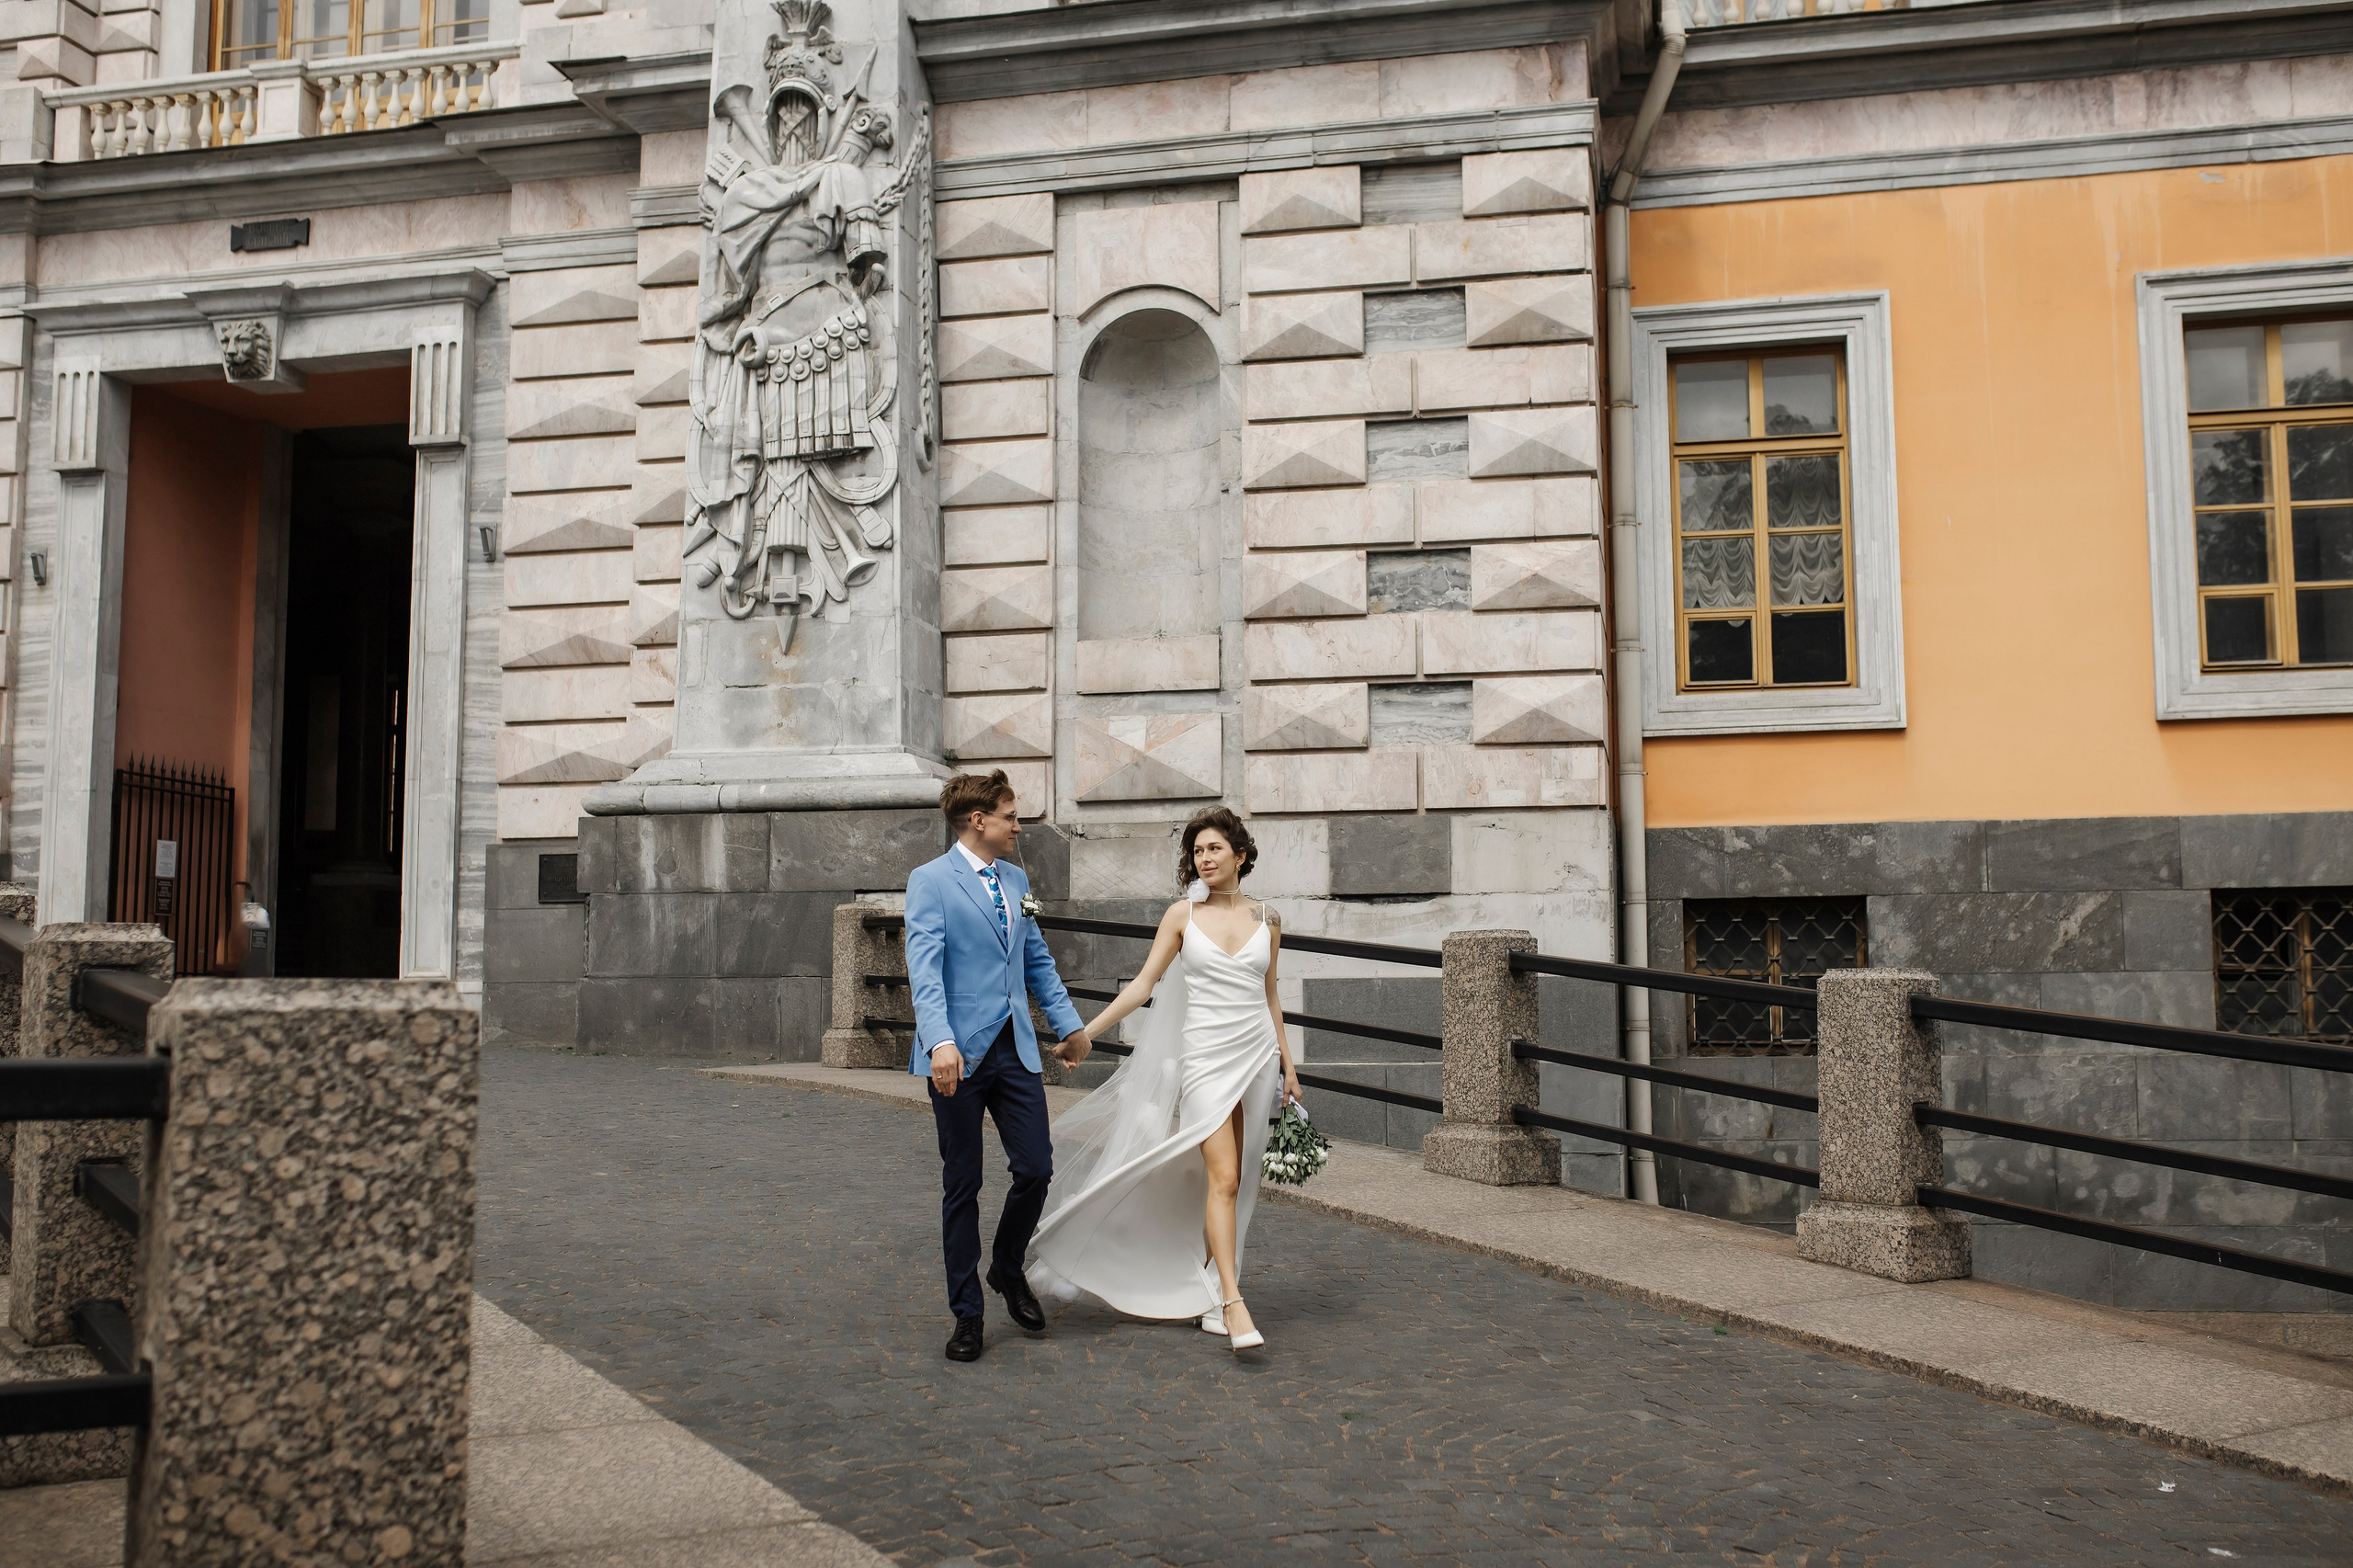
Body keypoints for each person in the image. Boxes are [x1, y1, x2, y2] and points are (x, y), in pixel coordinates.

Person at [1028, 808, 1302, 1352]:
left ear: (1241, 855)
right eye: (1197, 851)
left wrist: (1289, 1067)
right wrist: (1086, 1033)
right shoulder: (1182, 915)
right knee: (1223, 1178)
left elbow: (1270, 995)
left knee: (1241, 1181)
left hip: (1257, 1056)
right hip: (1206, 1060)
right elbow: (1142, 985)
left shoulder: (1268, 918)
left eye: (1214, 848)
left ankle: (1213, 1293)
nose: (1204, 859)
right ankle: (1232, 1302)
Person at [904, 770, 1089, 1364]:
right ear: (978, 820)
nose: (1019, 827)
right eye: (1011, 816)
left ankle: (1007, 1267)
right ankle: (967, 1314)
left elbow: (1037, 959)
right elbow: (924, 970)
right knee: (963, 1184)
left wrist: (1070, 1025)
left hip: (1016, 1051)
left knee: (1036, 1167)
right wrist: (939, 1041)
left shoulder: (1016, 879)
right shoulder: (930, 881)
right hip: (956, 1055)